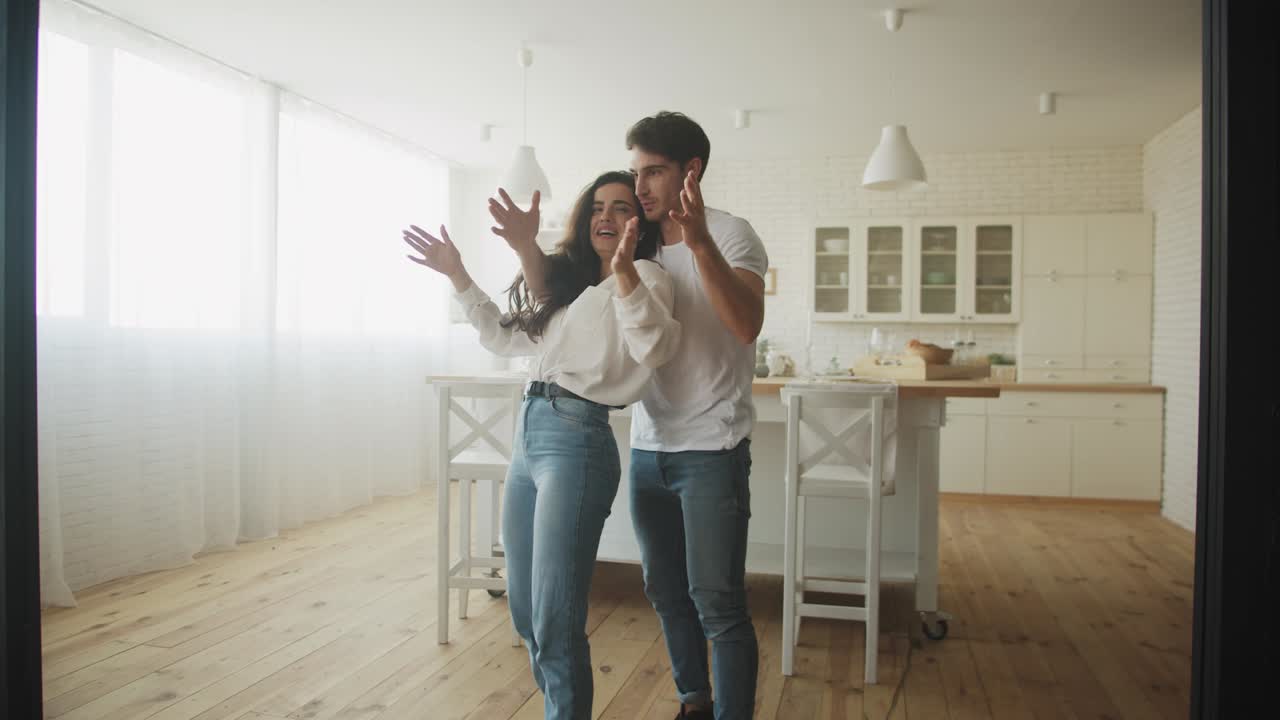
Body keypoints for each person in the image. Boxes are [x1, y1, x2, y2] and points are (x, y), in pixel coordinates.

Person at [402, 171, 681, 720]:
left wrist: (622, 271)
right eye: (598, 207)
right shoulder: (571, 289)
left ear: (640, 223)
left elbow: (654, 345)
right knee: (526, 612)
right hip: (530, 433)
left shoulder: (648, 277)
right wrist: (459, 274)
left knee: (556, 616)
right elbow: (505, 337)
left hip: (578, 441)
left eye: (622, 208)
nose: (607, 216)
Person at [628, 111, 767, 720]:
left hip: (712, 449)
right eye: (636, 173)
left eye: (653, 171)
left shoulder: (734, 234)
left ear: (692, 170)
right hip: (646, 446)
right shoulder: (640, 242)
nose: (641, 187)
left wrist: (700, 239)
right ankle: (694, 703)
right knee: (664, 591)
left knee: (719, 602)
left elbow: (744, 324)